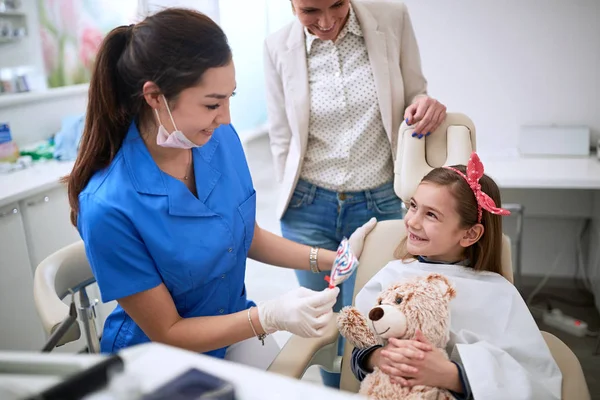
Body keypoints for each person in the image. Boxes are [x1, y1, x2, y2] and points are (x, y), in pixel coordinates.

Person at [64, 8, 377, 369]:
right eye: (213, 103)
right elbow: (168, 331)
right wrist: (268, 317)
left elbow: (245, 235)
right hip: (156, 361)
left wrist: (333, 258)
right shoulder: (108, 205)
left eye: (230, 98)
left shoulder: (218, 140)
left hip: (231, 327)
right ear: (154, 97)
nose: (226, 117)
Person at [263, 0, 447, 386]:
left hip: (377, 202)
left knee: (375, 322)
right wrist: (289, 191)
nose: (327, 21)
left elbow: (415, 92)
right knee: (321, 323)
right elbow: (281, 133)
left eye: (337, 4)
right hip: (307, 205)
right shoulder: (277, 45)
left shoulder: (391, 18)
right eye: (310, 10)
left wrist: (423, 106)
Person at [350, 153, 562, 399]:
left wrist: (451, 375)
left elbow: (531, 377)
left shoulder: (498, 294)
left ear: (470, 234)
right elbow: (360, 346)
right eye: (413, 206)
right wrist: (378, 358)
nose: (412, 221)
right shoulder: (392, 276)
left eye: (431, 215)